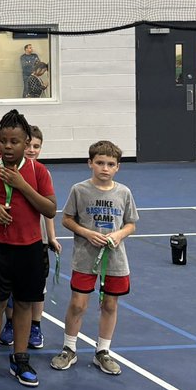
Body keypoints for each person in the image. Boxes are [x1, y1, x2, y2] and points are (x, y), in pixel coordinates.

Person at [0, 110, 56, 387]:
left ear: (26, 142)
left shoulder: (38, 171)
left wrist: (22, 186)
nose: (8, 146)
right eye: (4, 141)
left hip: (29, 247)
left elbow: (50, 209)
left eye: (15, 141)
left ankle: (20, 358)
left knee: (24, 303)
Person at [50, 140, 137, 377]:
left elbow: (131, 223)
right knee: (78, 303)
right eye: (100, 163)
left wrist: (118, 235)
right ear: (90, 163)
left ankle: (103, 352)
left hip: (116, 258)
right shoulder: (79, 190)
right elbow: (67, 219)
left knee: (110, 304)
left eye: (110, 164)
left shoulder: (124, 192)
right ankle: (69, 348)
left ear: (118, 167)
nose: (105, 168)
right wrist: (87, 233)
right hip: (85, 257)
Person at [0, 127, 60, 351]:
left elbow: (48, 209)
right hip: (11, 238)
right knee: (9, 289)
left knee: (37, 288)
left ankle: (35, 326)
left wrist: (51, 237)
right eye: (29, 145)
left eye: (37, 146)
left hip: (38, 240)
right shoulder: (6, 170)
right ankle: (10, 323)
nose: (32, 150)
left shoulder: (42, 172)